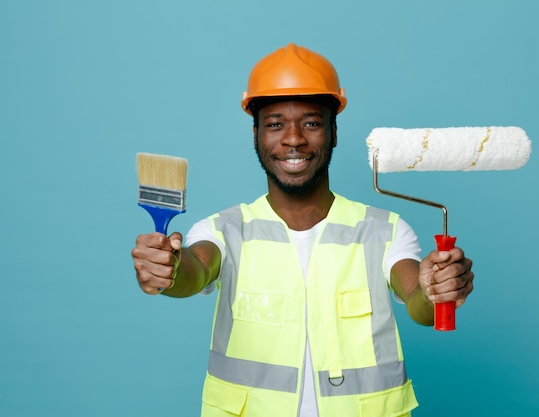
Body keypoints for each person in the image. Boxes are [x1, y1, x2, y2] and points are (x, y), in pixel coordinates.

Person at [131, 43, 474, 417]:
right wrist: (168, 270)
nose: (293, 138)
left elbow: (419, 302)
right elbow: (192, 272)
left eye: (311, 123)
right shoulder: (224, 229)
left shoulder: (384, 230)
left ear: (333, 132)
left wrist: (435, 288)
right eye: (275, 124)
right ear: (256, 135)